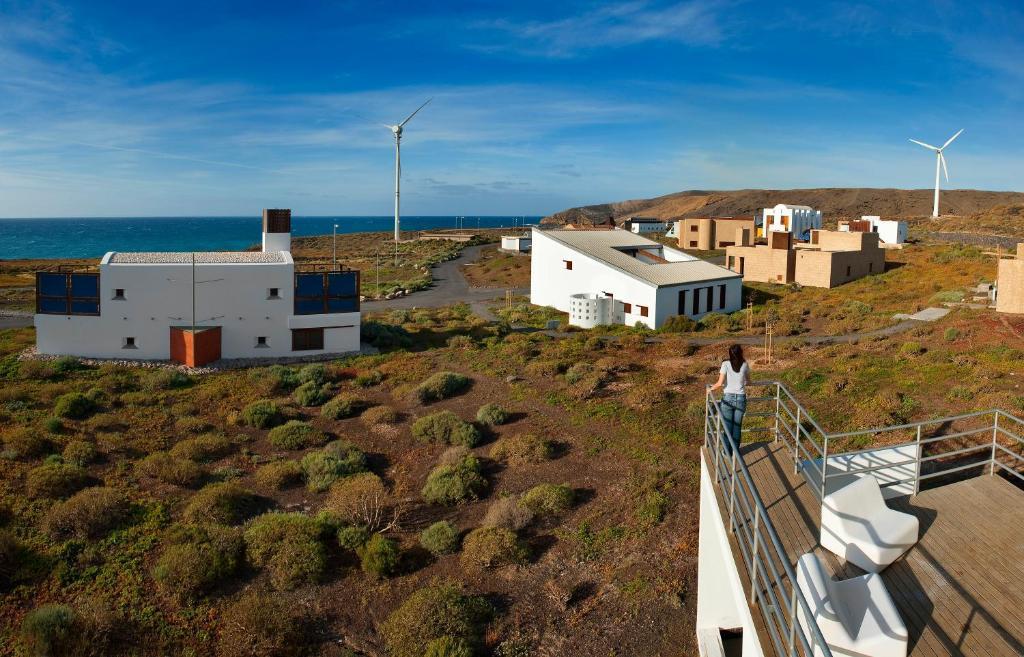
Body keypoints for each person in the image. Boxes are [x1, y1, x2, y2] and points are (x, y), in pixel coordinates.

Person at [709, 344, 750, 454]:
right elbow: (748, 381)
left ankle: (727, 453)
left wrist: (710, 390)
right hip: (741, 399)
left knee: (727, 427)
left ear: (730, 354)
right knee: (737, 427)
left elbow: (719, 383)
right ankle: (736, 451)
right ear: (741, 352)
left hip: (728, 399)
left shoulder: (725, 364)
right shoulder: (745, 364)